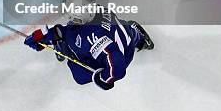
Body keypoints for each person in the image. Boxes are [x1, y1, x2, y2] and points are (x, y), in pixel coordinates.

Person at [24, 9, 154, 90]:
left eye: (70, 15)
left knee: (79, 75)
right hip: (127, 37)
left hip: (121, 56)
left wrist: (104, 78)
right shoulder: (100, 10)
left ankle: (63, 47)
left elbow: (117, 65)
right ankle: (138, 35)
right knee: (126, 30)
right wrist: (42, 36)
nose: (68, 17)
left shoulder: (91, 37)